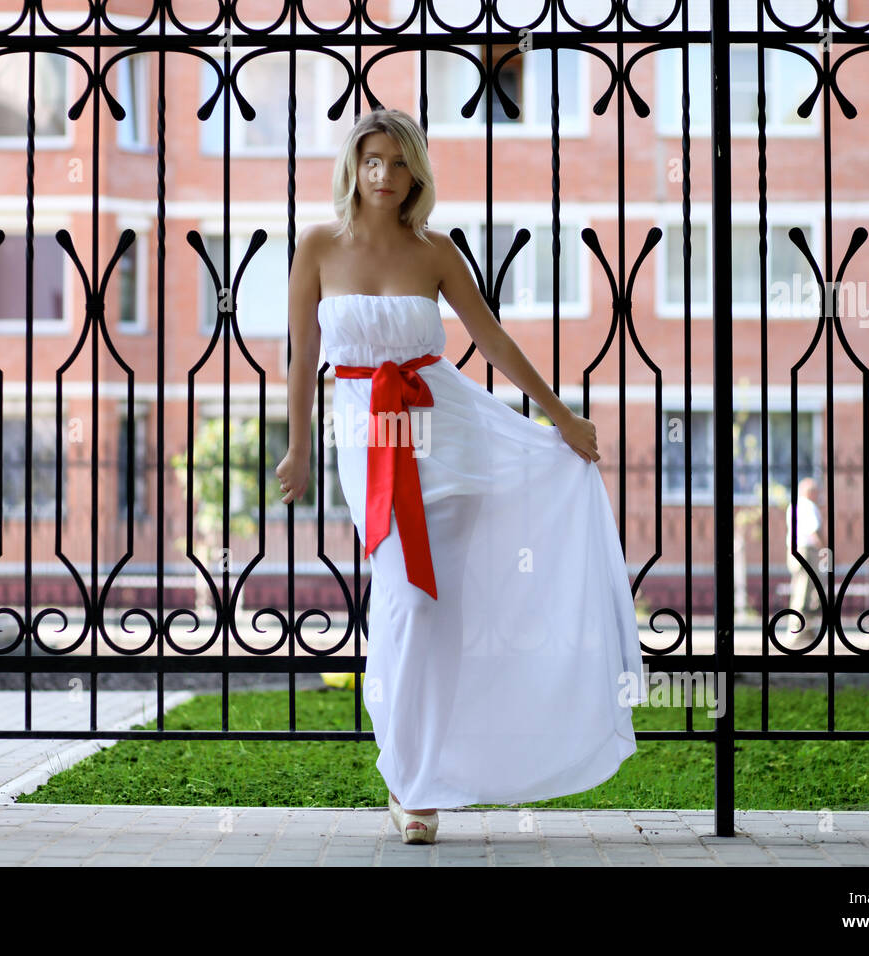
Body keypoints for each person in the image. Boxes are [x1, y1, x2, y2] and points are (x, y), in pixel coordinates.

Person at [274, 108, 646, 845]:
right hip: (369, 438)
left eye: (398, 162)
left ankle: (418, 783)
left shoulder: (435, 250)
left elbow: (491, 340)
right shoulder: (316, 245)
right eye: (372, 160)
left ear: (417, 171)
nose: (383, 175)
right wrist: (298, 449)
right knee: (407, 603)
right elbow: (300, 357)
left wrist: (560, 418)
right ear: (355, 165)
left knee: (437, 616)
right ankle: (408, 766)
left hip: (448, 439)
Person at [784, 477, 823, 644]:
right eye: (816, 492)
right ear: (811, 492)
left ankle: (805, 630)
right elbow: (813, 531)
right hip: (806, 551)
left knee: (801, 587)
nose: (818, 495)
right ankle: (796, 630)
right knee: (805, 590)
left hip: (793, 550)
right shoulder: (808, 506)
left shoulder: (793, 505)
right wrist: (825, 549)